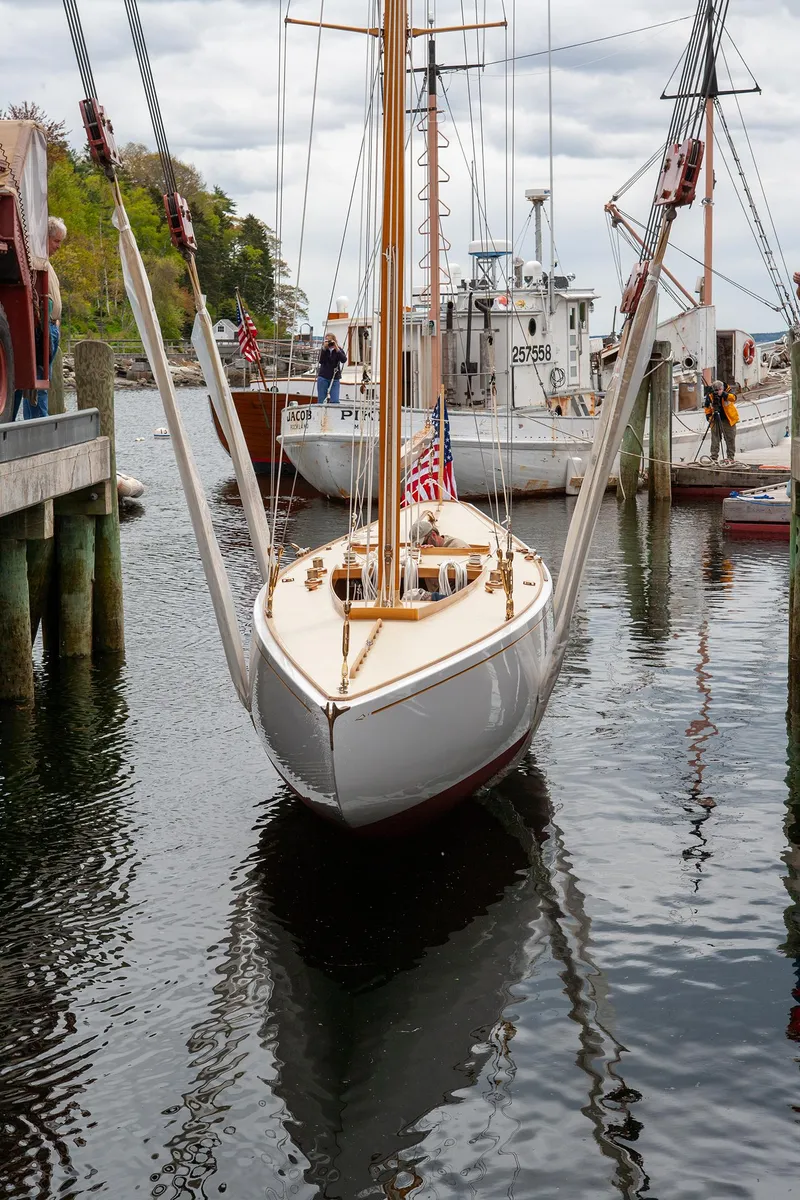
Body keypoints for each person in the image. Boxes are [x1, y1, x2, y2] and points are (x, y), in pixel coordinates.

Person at [13, 215, 66, 420]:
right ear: (46, 238)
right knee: (36, 382)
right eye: (56, 241)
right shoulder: (35, 262)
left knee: (33, 381)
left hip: (49, 327)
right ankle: (36, 426)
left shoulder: (44, 264)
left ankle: (27, 424)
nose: (59, 246)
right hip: (41, 329)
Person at [703, 378, 739, 464]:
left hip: (728, 419)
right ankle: (714, 457)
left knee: (730, 438)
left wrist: (724, 394)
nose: (717, 391)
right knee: (715, 439)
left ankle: (730, 457)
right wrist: (708, 417)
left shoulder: (728, 390)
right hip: (715, 419)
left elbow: (734, 398)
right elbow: (707, 406)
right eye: (716, 390)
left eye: (719, 390)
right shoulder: (710, 394)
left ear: (722, 388)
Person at [316, 332, 346, 404]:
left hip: (335, 377)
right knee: (321, 400)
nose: (329, 343)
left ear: (334, 341)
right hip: (323, 377)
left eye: (330, 341)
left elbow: (344, 360)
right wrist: (324, 348)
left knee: (335, 401)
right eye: (327, 341)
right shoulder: (324, 350)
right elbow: (320, 361)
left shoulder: (338, 350)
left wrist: (337, 349)